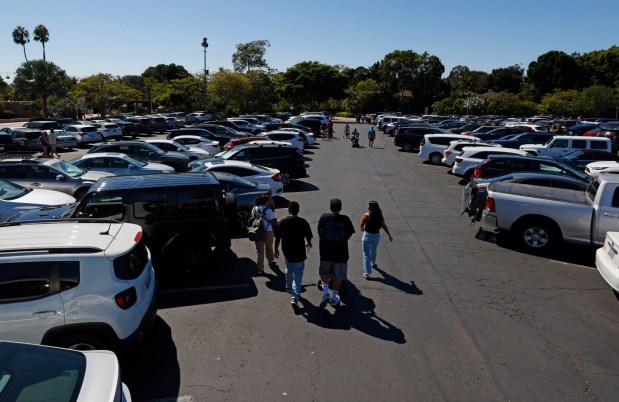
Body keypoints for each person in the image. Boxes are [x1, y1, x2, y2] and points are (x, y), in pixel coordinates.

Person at [317, 198, 355, 307]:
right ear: (341, 208)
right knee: (338, 276)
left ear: (330, 207)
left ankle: (325, 294)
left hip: (326, 252)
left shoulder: (324, 217)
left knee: (324, 274)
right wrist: (341, 241)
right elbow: (349, 234)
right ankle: (334, 297)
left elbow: (320, 232)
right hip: (340, 253)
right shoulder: (345, 219)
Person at [274, 201, 313, 306]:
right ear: (298, 210)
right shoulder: (303, 222)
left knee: (289, 268)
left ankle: (288, 285)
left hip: (287, 251)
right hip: (299, 252)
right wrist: (309, 243)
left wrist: (276, 249)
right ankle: (294, 297)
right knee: (298, 274)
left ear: (288, 210)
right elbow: (308, 236)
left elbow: (278, 237)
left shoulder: (283, 222)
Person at [359, 201, 393, 279]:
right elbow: (384, 226)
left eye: (369, 206)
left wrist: (364, 228)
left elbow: (361, 226)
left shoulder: (366, 215)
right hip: (376, 236)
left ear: (371, 207)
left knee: (366, 254)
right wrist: (389, 235)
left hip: (367, 235)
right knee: (374, 250)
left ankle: (366, 273)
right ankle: (373, 263)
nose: (368, 207)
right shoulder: (380, 216)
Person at [251, 195, 278, 275]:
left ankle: (260, 269)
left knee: (259, 251)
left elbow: (252, 218)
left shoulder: (254, 209)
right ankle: (270, 261)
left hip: (257, 231)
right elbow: (273, 222)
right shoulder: (268, 210)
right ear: (266, 201)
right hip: (268, 232)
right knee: (269, 247)